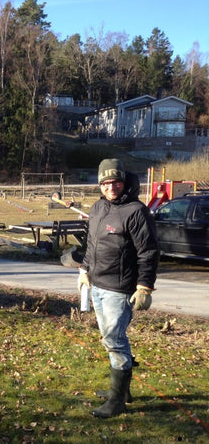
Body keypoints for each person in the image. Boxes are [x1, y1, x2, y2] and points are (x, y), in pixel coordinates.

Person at [78, 158, 160, 418]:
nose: (110, 188)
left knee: (114, 339)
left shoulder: (136, 211)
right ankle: (121, 391)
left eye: (115, 182)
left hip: (120, 289)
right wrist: (84, 269)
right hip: (97, 285)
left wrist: (145, 285)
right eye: (105, 183)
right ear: (100, 184)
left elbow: (148, 252)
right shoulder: (98, 208)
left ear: (124, 182)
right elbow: (91, 244)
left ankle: (117, 402)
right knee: (110, 339)